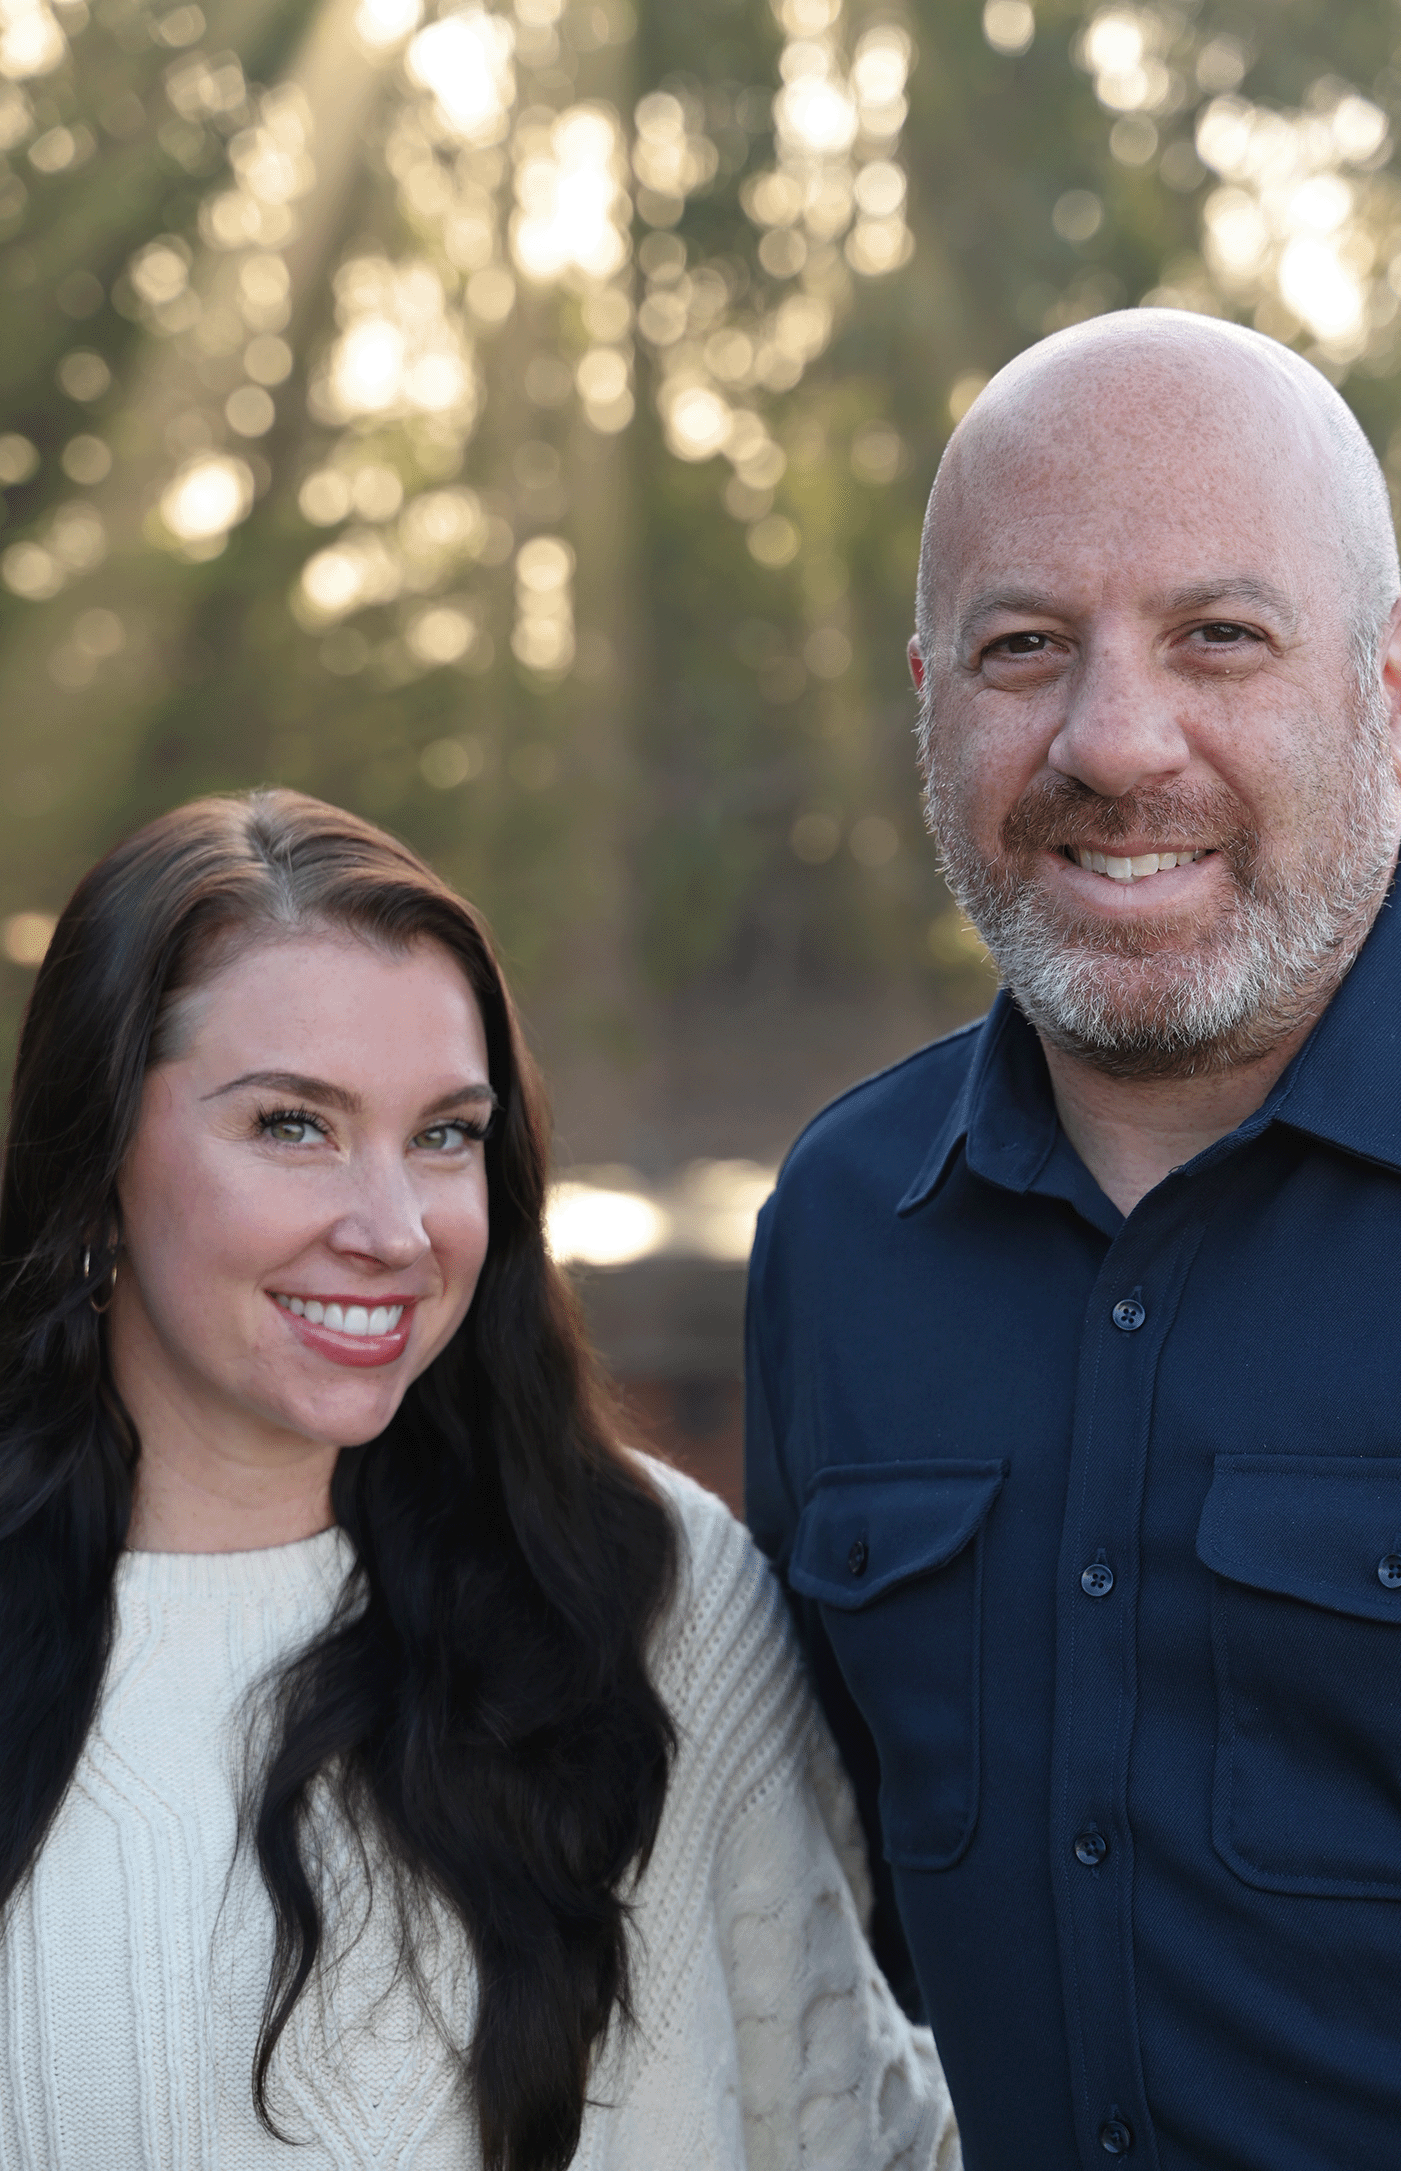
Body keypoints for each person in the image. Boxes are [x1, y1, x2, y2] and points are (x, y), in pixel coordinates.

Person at [743, 305, 1401, 2170]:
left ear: (1391, 684)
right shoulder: (844, 1235)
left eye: (1217, 638)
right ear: (932, 695)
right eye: (1025, 649)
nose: (1113, 739)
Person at [0, 788, 957, 2171]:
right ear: (97, 1171)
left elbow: (862, 2137)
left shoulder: (646, 1599)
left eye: (446, 1134)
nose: (394, 1228)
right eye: (291, 1124)